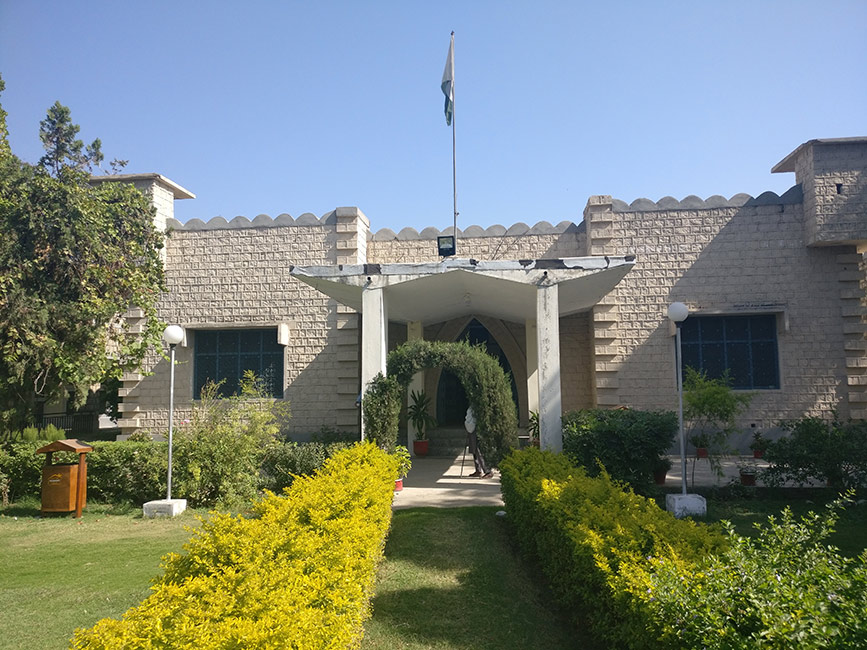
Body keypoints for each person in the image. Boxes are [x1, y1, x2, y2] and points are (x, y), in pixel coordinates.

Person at [464, 407, 493, 479]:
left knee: (478, 449)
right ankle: (478, 470)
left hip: (476, 428)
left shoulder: (478, 406)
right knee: (474, 449)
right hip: (472, 427)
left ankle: (487, 471)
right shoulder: (472, 407)